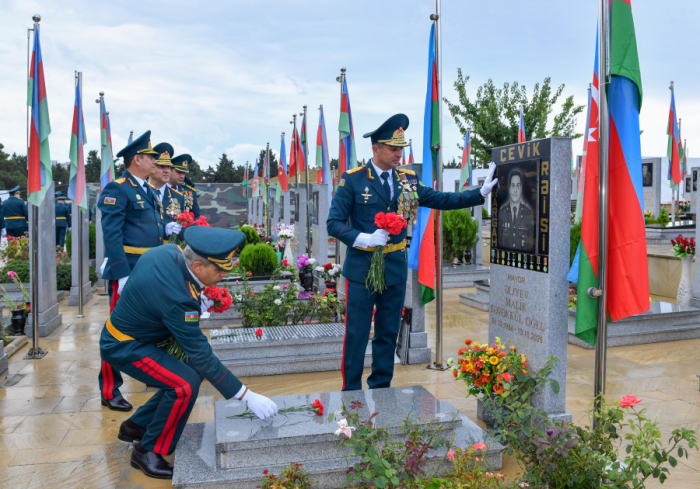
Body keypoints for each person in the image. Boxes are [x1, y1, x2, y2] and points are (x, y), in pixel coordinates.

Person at [327, 114, 497, 391]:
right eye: (393, 148)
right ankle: (351, 393)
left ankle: (381, 388)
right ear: (376, 149)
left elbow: (440, 199)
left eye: (401, 148)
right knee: (357, 334)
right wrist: (363, 238)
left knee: (388, 332)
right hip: (361, 269)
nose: (399, 154)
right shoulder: (354, 180)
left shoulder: (408, 180)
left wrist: (480, 193)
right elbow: (333, 224)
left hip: (394, 267)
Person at [102, 226, 278, 479]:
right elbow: (200, 352)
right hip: (125, 345)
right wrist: (246, 396)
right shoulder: (179, 299)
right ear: (197, 266)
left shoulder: (168, 251)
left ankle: (136, 425)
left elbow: (167, 288)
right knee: (183, 385)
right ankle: (148, 450)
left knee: (191, 372)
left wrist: (198, 296)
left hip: (142, 335)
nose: (224, 274)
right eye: (219, 269)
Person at [97, 131, 182, 412]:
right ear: (138, 160)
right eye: (151, 158)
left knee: (149, 326)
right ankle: (110, 390)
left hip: (148, 270)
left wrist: (166, 227)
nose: (155, 162)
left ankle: (153, 372)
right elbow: (111, 233)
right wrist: (120, 274)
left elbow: (148, 225)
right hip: (129, 271)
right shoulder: (117, 188)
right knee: (118, 331)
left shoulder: (145, 189)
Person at [497, 169, 535, 253]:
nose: (515, 190)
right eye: (513, 185)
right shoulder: (502, 213)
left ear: (521, 188)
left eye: (518, 186)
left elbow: (530, 243)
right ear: (509, 188)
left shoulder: (528, 213)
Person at [150, 143, 185, 226]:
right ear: (151, 167)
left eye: (168, 167)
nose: (166, 171)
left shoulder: (178, 197)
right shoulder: (139, 191)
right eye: (161, 166)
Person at [169, 154, 201, 219]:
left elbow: (197, 216)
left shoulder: (190, 192)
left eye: (184, 173)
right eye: (179, 172)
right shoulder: (159, 189)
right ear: (169, 170)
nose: (182, 176)